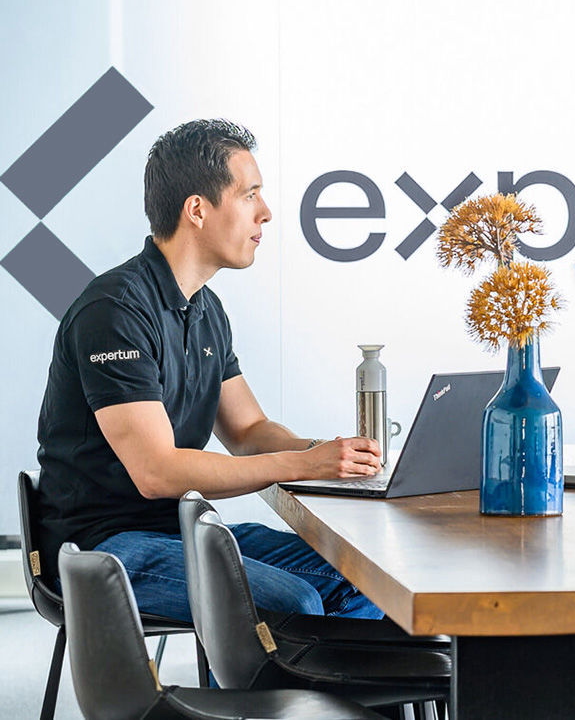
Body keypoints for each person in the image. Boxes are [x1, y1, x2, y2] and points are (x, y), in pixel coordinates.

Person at [34, 119, 384, 621]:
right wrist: (304, 465)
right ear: (197, 210)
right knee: (295, 604)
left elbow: (248, 431)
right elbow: (157, 472)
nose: (266, 212)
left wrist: (334, 455)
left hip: (179, 531)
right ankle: (280, 677)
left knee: (364, 576)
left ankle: (332, 678)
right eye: (250, 195)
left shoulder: (206, 309)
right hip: (99, 547)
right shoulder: (114, 311)